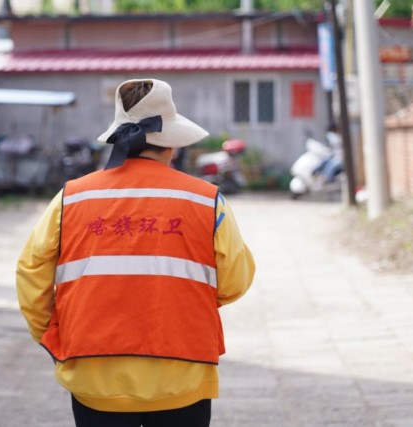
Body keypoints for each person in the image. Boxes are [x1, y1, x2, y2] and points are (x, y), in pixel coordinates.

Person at [16, 78, 256, 427]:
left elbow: (30, 272)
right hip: (182, 372)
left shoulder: (72, 197)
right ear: (171, 144)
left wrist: (51, 333)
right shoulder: (205, 200)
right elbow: (235, 281)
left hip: (94, 374)